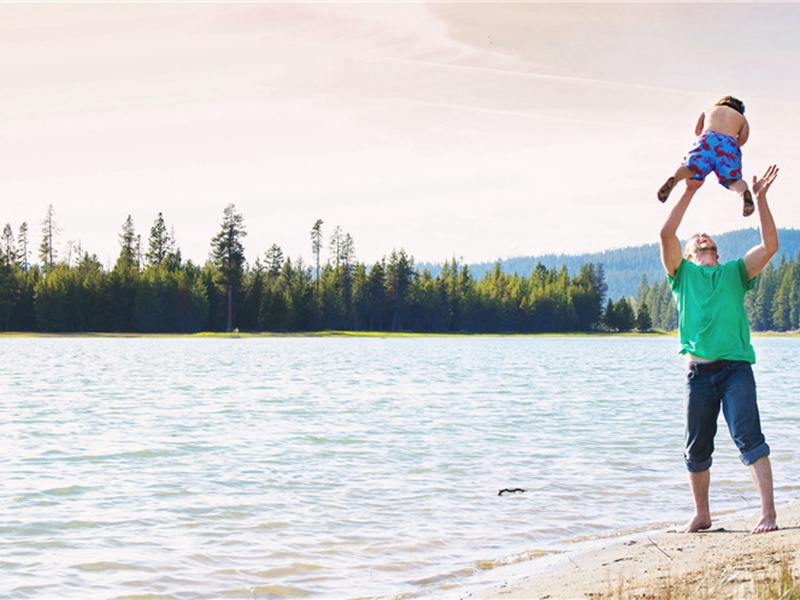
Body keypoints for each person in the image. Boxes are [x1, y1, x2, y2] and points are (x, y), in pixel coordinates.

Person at [659, 164, 780, 535]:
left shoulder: (734, 273)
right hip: (698, 374)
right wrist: (689, 191)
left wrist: (759, 200)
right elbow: (666, 233)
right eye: (696, 238)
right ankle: (702, 515)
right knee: (695, 449)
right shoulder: (682, 276)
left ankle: (768, 515)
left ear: (714, 250)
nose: (701, 236)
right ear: (692, 254)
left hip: (735, 371)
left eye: (706, 236)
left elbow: (769, 246)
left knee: (749, 437)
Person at [658, 96, 754, 217]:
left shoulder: (709, 110)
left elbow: (697, 131)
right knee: (733, 180)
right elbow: (743, 138)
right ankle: (744, 194)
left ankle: (675, 178)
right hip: (728, 143)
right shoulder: (741, 118)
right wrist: (732, 145)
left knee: (690, 168)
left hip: (707, 138)